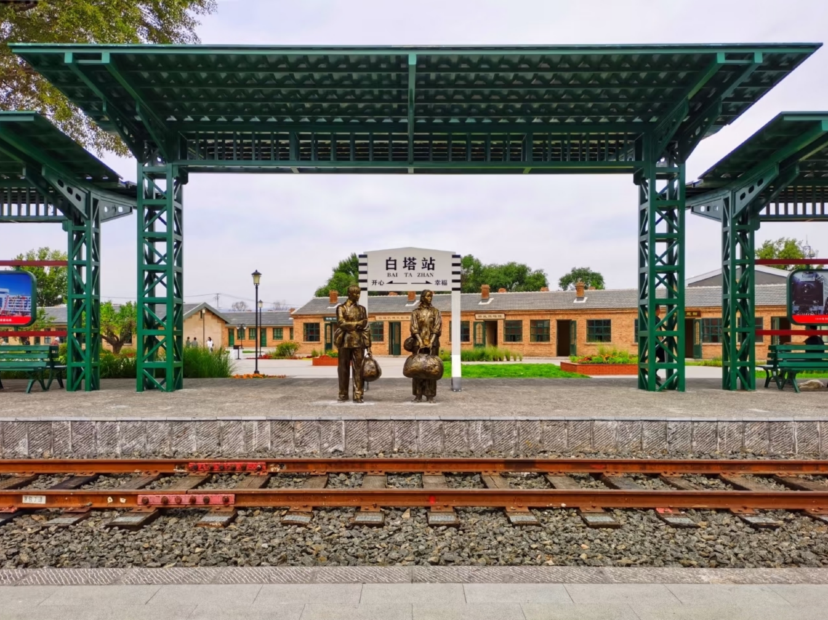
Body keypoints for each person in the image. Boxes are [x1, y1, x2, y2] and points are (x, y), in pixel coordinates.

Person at [335, 285, 368, 403]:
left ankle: (358, 394)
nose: (358, 296)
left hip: (359, 343)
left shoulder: (362, 309)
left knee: (359, 370)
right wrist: (356, 324)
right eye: (356, 294)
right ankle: (343, 394)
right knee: (343, 369)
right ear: (349, 294)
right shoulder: (341, 308)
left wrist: (368, 345)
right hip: (344, 342)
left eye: (359, 293)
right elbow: (341, 323)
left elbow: (364, 324)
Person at [409, 289, 442, 402]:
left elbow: (437, 328)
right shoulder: (415, 312)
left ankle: (430, 394)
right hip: (418, 344)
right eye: (428, 296)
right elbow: (414, 328)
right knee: (417, 370)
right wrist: (421, 341)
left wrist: (431, 341)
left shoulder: (435, 312)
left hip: (432, 344)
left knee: (431, 370)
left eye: (431, 296)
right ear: (422, 297)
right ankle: (418, 394)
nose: (430, 298)